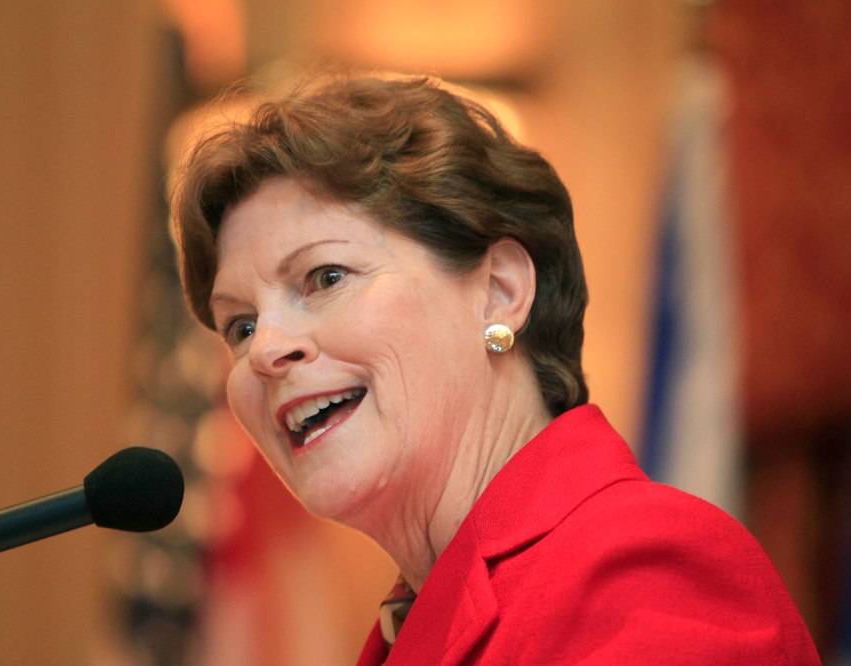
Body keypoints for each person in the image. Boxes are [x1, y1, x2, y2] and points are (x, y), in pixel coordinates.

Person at [171, 72, 819, 664]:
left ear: (500, 291)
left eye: (325, 276)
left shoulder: (642, 569)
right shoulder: (412, 629)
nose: (263, 350)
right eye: (241, 325)